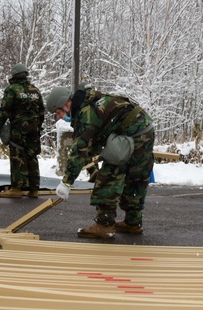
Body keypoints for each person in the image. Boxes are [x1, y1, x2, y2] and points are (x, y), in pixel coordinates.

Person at [45, 84, 155, 239]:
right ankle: (133, 221)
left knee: (109, 175)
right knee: (136, 175)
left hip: (131, 133)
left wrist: (67, 182)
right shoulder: (92, 102)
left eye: (58, 112)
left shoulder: (86, 114)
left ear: (66, 104)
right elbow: (94, 142)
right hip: (146, 129)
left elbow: (79, 150)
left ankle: (104, 224)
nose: (60, 117)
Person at [0, 63, 45, 197]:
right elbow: (42, 112)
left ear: (14, 75)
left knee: (17, 156)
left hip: (18, 129)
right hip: (34, 128)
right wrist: (38, 127)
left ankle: (16, 188)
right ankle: (34, 189)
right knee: (32, 157)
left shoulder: (12, 90)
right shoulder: (35, 90)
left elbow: (4, 111)